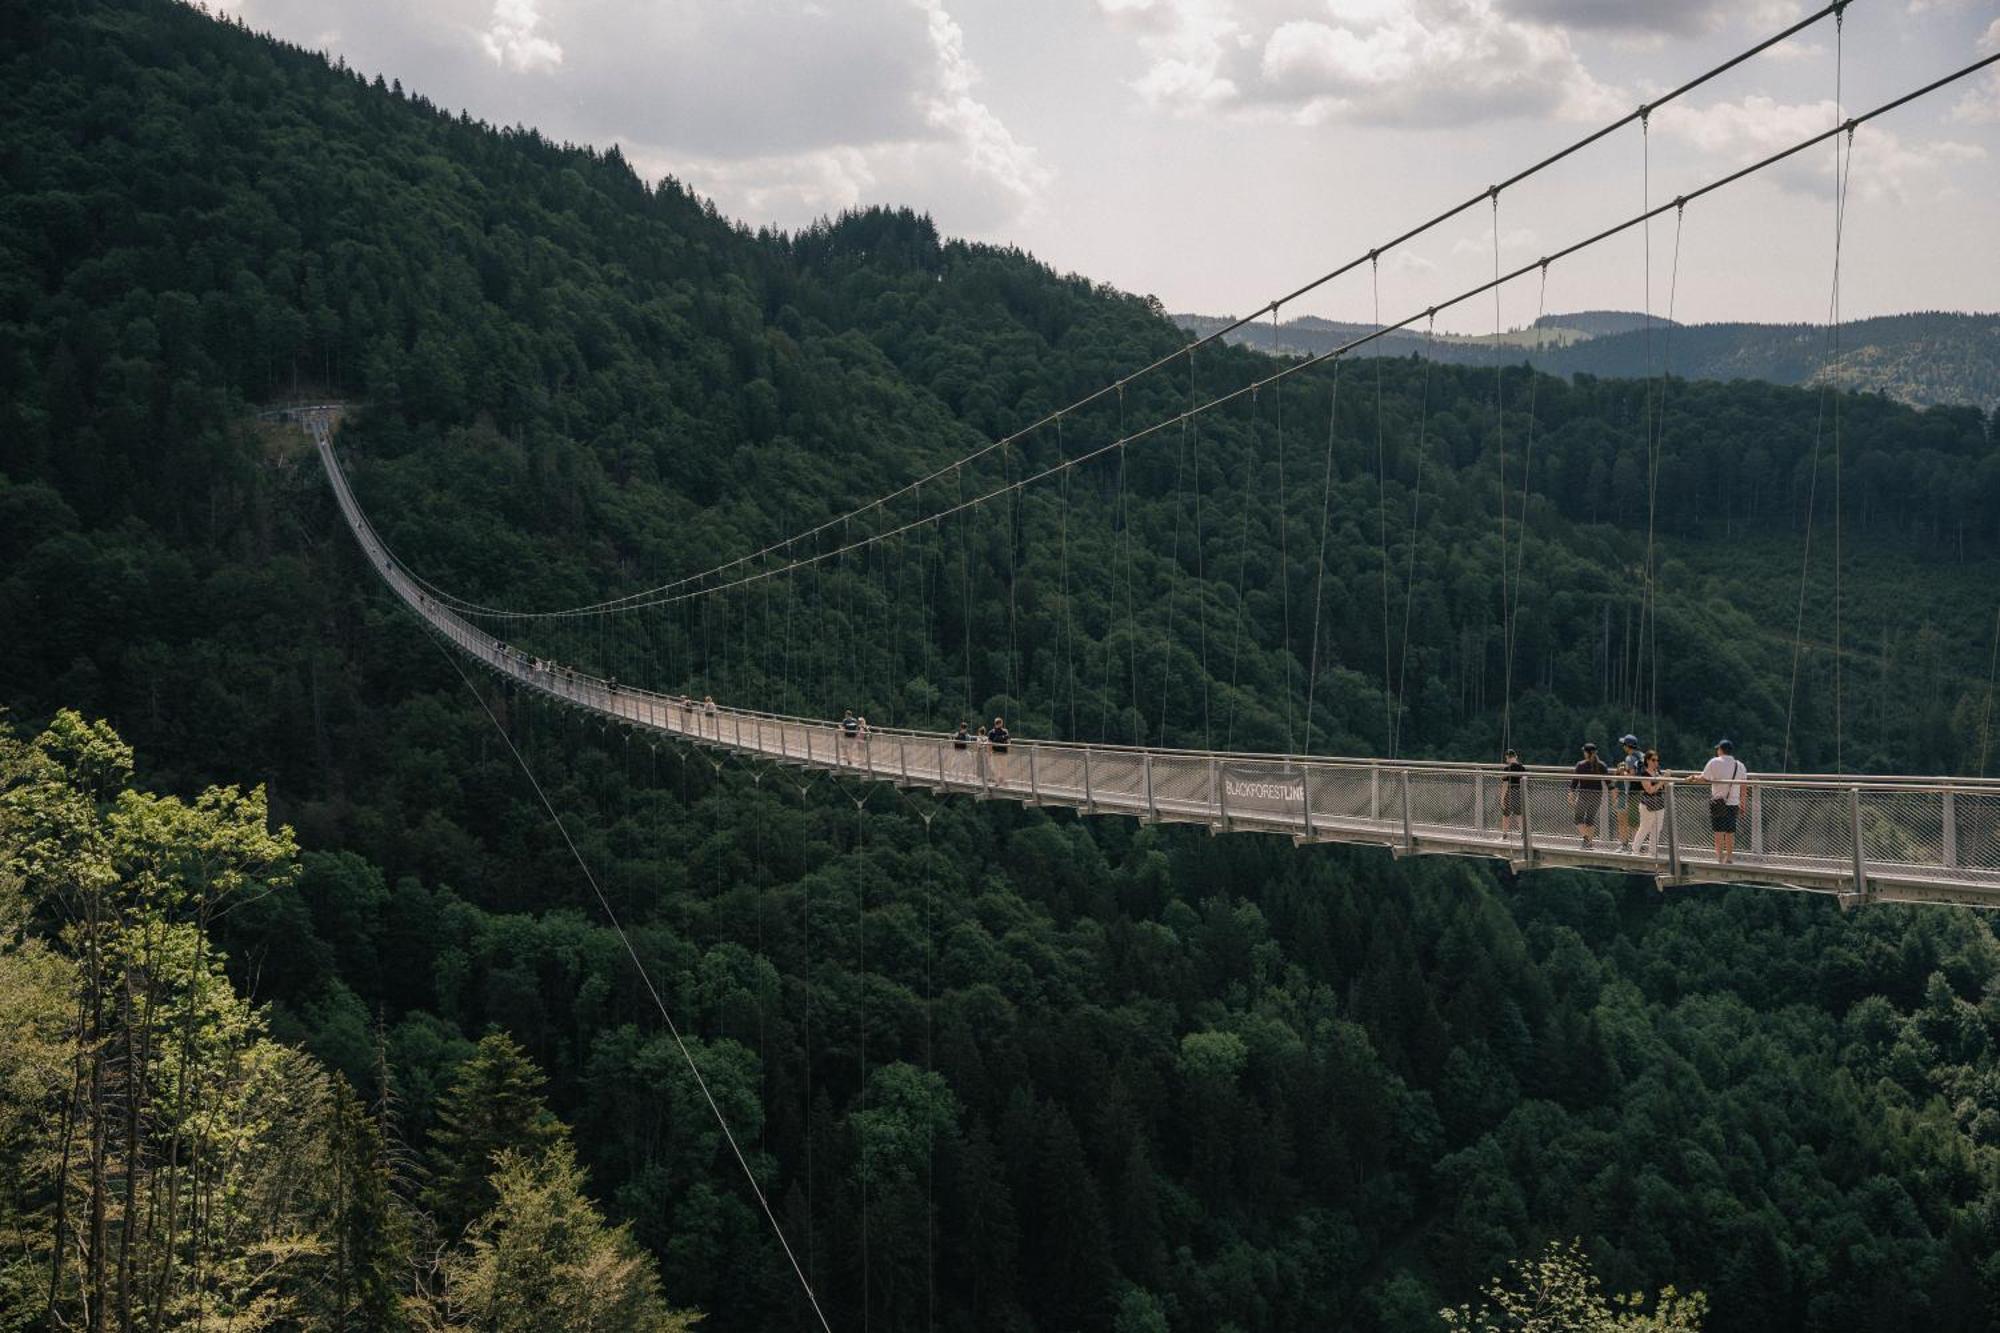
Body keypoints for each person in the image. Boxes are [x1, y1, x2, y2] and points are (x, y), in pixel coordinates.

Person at [1699, 738, 1749, 864]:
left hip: (1718, 802)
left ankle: (1720, 858)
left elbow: (1704, 778)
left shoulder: (1714, 762)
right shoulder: (1740, 765)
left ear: (1720, 750)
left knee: (1718, 832)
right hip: (1733, 803)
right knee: (1730, 832)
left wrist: (1693, 778)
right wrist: (1743, 803)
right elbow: (1744, 786)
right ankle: (1730, 858)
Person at [1569, 742, 1608, 848]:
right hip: (1597, 795)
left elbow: (1574, 782)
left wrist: (1571, 794)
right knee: (1590, 819)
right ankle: (1589, 844)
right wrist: (1614, 795)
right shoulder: (1602, 765)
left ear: (1586, 753)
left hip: (1584, 795)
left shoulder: (1580, 765)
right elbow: (1609, 782)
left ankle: (1586, 839)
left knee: (1578, 818)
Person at [1633, 750, 1668, 857]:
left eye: (1657, 760)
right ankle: (1635, 850)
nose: (1655, 762)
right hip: (1647, 804)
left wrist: (1665, 779)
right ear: (1647, 760)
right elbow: (1649, 790)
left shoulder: (1658, 773)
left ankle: (1652, 852)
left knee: (1657, 828)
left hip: (1659, 804)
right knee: (1645, 827)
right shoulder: (1644, 773)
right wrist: (1661, 781)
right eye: (1653, 760)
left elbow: (1663, 788)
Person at [1615, 734, 1645, 849]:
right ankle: (1638, 844)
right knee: (1637, 820)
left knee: (1628, 820)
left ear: (1627, 746)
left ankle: (1627, 845)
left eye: (1624, 745)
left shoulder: (1630, 758)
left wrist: (1622, 772)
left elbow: (1631, 776)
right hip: (1644, 792)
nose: (1623, 747)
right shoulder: (1643, 756)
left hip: (1632, 793)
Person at [1499, 748, 1526, 834]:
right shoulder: (1522, 768)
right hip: (1519, 792)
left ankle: (1504, 834)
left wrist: (1502, 798)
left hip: (1509, 792)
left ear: (1507, 757)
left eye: (1506, 758)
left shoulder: (1507, 769)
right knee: (1519, 813)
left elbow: (1505, 784)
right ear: (1516, 756)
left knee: (1506, 814)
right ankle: (1522, 833)